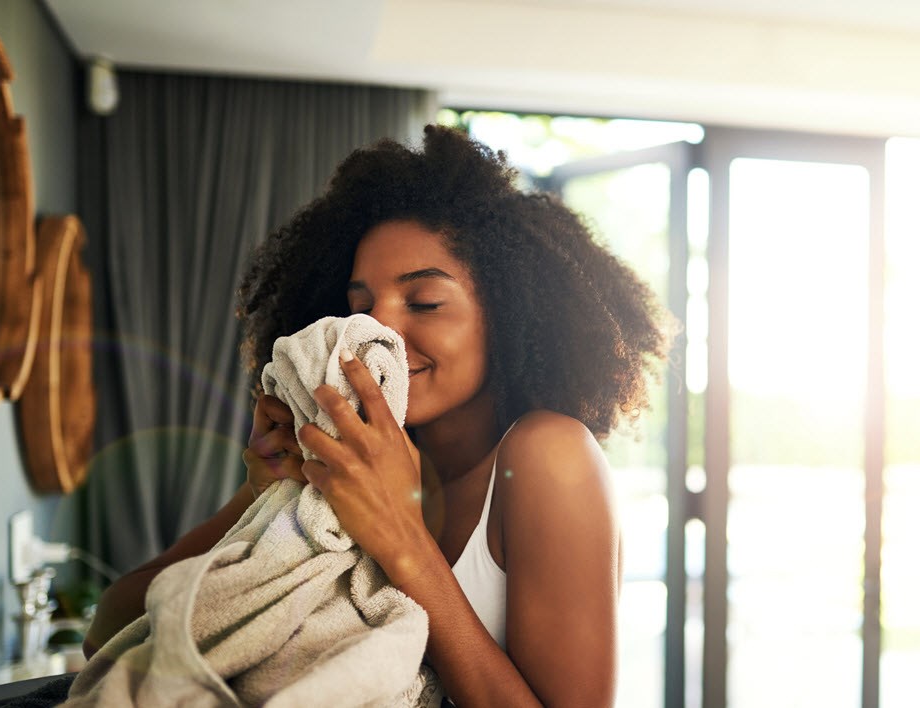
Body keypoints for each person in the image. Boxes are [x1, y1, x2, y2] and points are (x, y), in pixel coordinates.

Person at [84, 124, 671, 706]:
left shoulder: (548, 454)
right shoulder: (339, 463)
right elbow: (108, 633)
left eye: (425, 302)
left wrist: (403, 539)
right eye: (358, 308)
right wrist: (257, 496)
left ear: (514, 317)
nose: (375, 332)